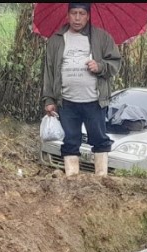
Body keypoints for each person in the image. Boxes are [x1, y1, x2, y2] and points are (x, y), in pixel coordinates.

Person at [42, 2, 123, 177]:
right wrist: (49, 100)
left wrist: (100, 66)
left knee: (100, 140)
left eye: (81, 13)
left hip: (94, 101)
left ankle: (101, 180)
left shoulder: (101, 37)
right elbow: (48, 71)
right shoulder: (56, 39)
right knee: (70, 141)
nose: (77, 18)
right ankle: (72, 181)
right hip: (67, 102)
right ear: (67, 14)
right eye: (73, 13)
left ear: (88, 15)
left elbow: (116, 63)